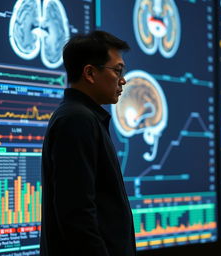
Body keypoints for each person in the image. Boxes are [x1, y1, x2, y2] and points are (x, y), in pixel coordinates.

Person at [40, 30, 137, 256]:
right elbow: (77, 215)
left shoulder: (84, 117)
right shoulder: (77, 120)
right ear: (90, 73)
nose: (123, 80)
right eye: (117, 70)